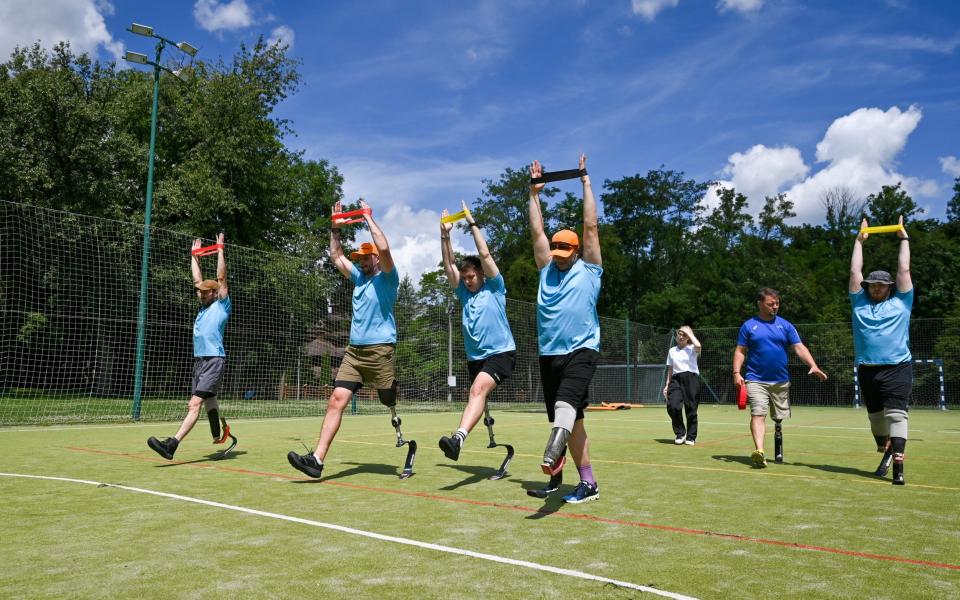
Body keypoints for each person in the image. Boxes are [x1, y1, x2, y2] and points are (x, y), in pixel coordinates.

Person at [287, 199, 407, 480]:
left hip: (380, 351)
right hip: (354, 353)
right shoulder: (359, 279)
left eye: (367, 256)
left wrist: (367, 218)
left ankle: (390, 390)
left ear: (376, 258)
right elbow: (336, 256)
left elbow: (386, 247)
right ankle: (316, 460)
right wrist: (335, 227)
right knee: (335, 401)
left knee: (385, 396)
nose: (363, 261)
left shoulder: (389, 278)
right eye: (361, 258)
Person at [528, 154, 603, 504]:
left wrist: (585, 182)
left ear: (575, 251)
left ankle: (551, 455)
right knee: (570, 420)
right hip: (550, 354)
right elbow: (537, 232)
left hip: (582, 350)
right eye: (555, 250)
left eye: (564, 250)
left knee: (565, 407)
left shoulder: (590, 270)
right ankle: (582, 482)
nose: (557, 255)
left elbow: (590, 227)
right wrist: (534, 193)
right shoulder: (546, 269)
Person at [438, 201, 517, 461]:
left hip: (501, 353)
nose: (468, 281)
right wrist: (445, 233)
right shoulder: (463, 292)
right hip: (476, 358)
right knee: (477, 395)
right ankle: (479, 436)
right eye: (465, 278)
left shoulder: (495, 287)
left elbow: (485, 255)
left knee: (476, 391)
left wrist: (471, 223)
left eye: (471, 276)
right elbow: (449, 265)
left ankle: (457, 439)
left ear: (481, 274)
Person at [148, 233, 234, 460]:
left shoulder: (222, 306)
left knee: (194, 402)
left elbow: (221, 277)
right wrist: (194, 257)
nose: (200, 292)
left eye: (205, 290)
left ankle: (172, 444)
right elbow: (197, 280)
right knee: (209, 399)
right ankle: (220, 432)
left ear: (214, 292)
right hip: (200, 361)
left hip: (214, 360)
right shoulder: (204, 307)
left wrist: (220, 250)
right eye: (200, 290)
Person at [849, 215, 913, 485]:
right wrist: (859, 241)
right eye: (873, 284)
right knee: (876, 420)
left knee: (896, 415)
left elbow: (904, 271)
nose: (876, 288)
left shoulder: (902, 302)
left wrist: (903, 238)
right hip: (867, 369)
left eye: (882, 285)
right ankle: (885, 449)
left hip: (898, 366)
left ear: (889, 288)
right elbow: (854, 273)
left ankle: (898, 464)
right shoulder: (859, 303)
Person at [732, 288, 827, 468]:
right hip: (755, 379)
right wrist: (736, 373)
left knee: (778, 416)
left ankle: (777, 428)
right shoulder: (749, 326)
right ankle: (759, 451)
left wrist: (813, 365)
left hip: (780, 380)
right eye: (770, 304)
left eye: (777, 303)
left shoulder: (786, 325)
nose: (775, 307)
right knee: (758, 413)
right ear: (760, 304)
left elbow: (799, 347)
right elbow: (740, 351)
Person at [663, 326, 702, 445]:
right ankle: (680, 433)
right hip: (676, 379)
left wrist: (690, 334)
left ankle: (691, 437)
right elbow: (670, 369)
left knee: (691, 408)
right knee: (673, 406)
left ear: (688, 337)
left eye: (684, 335)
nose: (681, 336)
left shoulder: (692, 348)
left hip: (691, 378)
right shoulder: (672, 351)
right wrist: (667, 385)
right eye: (679, 334)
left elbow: (699, 346)